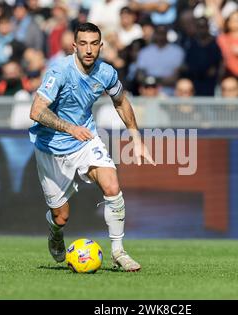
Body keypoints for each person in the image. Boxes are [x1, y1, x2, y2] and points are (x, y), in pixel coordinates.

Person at [29, 23, 154, 271]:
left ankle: (118, 251)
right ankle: (55, 232)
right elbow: (36, 111)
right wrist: (69, 128)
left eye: (93, 44)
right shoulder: (60, 71)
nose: (88, 49)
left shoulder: (106, 73)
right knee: (61, 216)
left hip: (86, 140)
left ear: (100, 46)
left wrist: (136, 138)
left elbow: (121, 102)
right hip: (51, 147)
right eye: (83, 44)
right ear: (74, 46)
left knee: (112, 185)